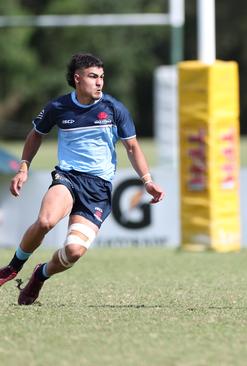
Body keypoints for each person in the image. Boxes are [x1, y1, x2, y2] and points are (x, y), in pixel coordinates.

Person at [0, 53, 164, 305]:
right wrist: (24, 168)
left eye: (101, 77)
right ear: (78, 79)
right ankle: (12, 267)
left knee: (74, 251)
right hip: (68, 177)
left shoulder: (114, 108)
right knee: (45, 221)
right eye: (93, 77)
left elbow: (132, 147)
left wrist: (147, 180)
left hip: (98, 189)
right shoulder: (58, 107)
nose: (99, 82)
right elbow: (35, 135)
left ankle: (40, 274)